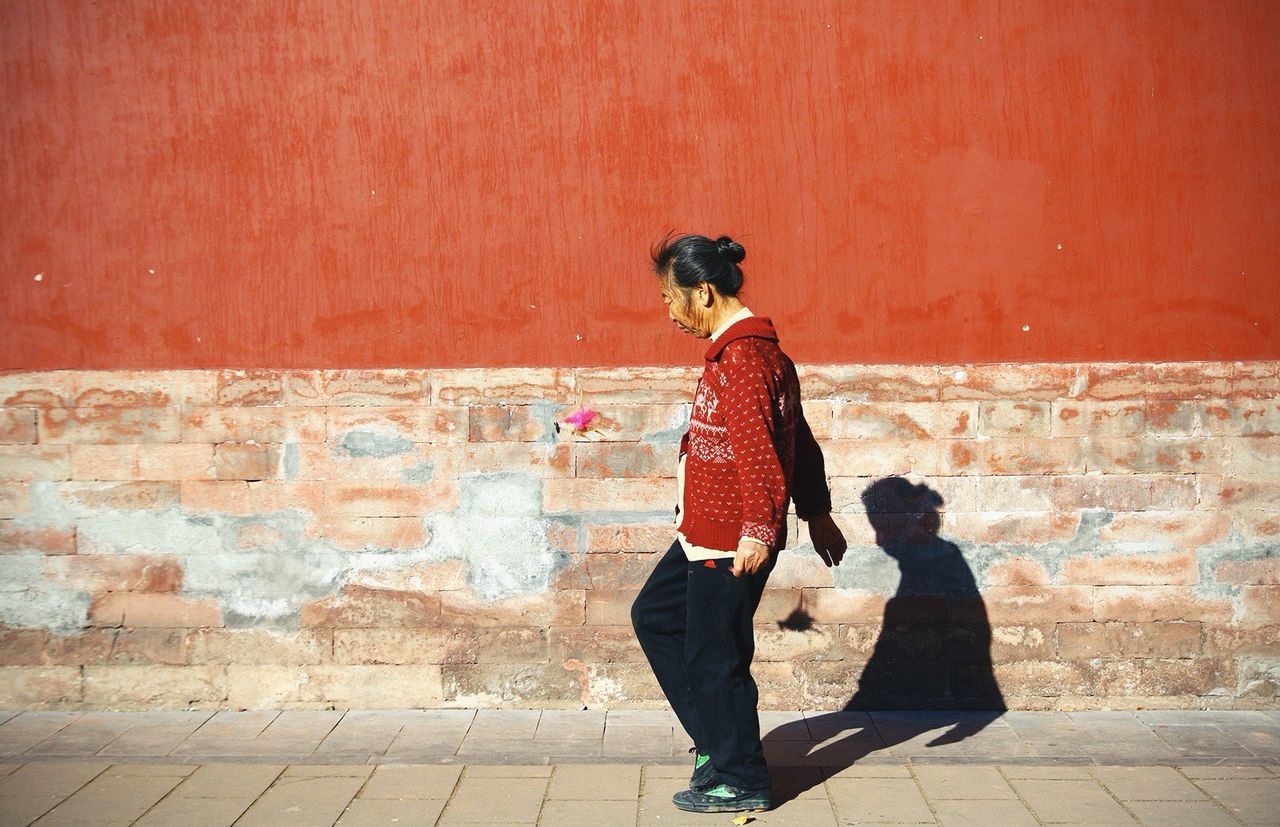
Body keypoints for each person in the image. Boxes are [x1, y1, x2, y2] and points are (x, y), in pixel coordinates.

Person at [630, 233, 847, 814]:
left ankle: (740, 776)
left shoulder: (746, 360)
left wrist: (759, 528)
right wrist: (818, 512)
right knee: (654, 616)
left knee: (717, 654)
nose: (669, 312)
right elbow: (799, 440)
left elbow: (760, 452)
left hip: (731, 535)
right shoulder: (749, 355)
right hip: (705, 530)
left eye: (671, 298)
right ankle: (716, 744)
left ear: (703, 292)